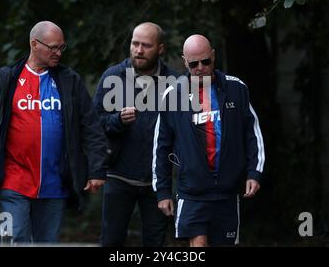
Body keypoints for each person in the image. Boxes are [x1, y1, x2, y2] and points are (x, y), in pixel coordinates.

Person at [0, 21, 107, 243]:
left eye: (62, 47)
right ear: (34, 44)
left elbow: (91, 127)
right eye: (53, 47)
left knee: (46, 243)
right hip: (13, 180)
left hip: (55, 183)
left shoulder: (69, 80)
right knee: (15, 238)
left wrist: (97, 170)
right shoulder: (6, 79)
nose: (58, 53)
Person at [152, 34, 265, 247]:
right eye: (193, 64)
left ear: (213, 56)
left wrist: (254, 172)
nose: (200, 68)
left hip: (227, 191)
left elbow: (252, 133)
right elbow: (161, 146)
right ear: (185, 62)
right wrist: (163, 191)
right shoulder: (173, 95)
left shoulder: (236, 88)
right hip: (192, 191)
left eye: (206, 61)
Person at [93, 22, 179, 246]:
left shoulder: (176, 83)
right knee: (111, 242)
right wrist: (117, 120)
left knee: (156, 243)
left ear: (160, 49)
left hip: (157, 182)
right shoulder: (114, 77)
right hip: (118, 176)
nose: (139, 50)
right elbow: (93, 126)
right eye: (135, 43)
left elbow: (185, 133)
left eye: (146, 45)